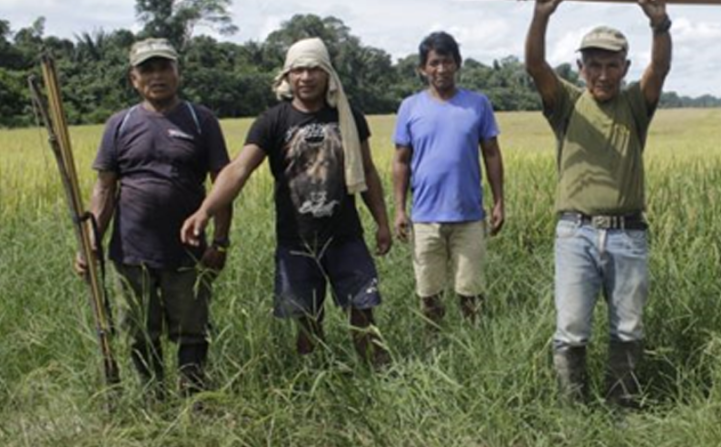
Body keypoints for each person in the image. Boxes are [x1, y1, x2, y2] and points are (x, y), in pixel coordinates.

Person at [181, 37, 393, 369]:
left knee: (363, 314)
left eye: (314, 69)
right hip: (296, 241)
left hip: (345, 237)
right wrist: (205, 211)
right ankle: (315, 382)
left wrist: (382, 222)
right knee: (307, 322)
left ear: (327, 74)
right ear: (287, 76)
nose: (306, 77)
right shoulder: (273, 121)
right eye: (298, 70)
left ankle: (378, 377)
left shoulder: (348, 117)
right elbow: (239, 169)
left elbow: (366, 171)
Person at [525, 0, 671, 408]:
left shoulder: (635, 104)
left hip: (628, 235)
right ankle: (574, 412)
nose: (602, 74)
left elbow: (660, 68)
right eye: (593, 65)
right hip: (576, 234)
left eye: (611, 65)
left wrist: (659, 23)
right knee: (571, 331)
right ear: (580, 67)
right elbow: (535, 65)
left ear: (625, 67)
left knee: (628, 329)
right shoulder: (566, 103)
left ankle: (621, 408)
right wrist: (542, 14)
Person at [79, 37, 232, 396]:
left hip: (188, 251)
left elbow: (223, 183)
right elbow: (104, 189)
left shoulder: (201, 120)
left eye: (164, 67)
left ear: (178, 73)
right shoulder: (120, 124)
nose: (157, 76)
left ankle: (193, 397)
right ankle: (152, 399)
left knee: (193, 330)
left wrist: (221, 241)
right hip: (131, 251)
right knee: (137, 330)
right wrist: (90, 242)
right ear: (134, 79)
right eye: (147, 69)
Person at [392, 31, 505, 327]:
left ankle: (474, 344)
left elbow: (492, 154)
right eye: (434, 63)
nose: (441, 69)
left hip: (469, 216)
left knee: (471, 292)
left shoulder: (478, 104)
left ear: (458, 64)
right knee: (429, 294)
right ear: (422, 69)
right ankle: (434, 345)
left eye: (447, 62)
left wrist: (499, 202)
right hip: (425, 218)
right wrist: (400, 209)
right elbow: (401, 161)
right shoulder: (410, 107)